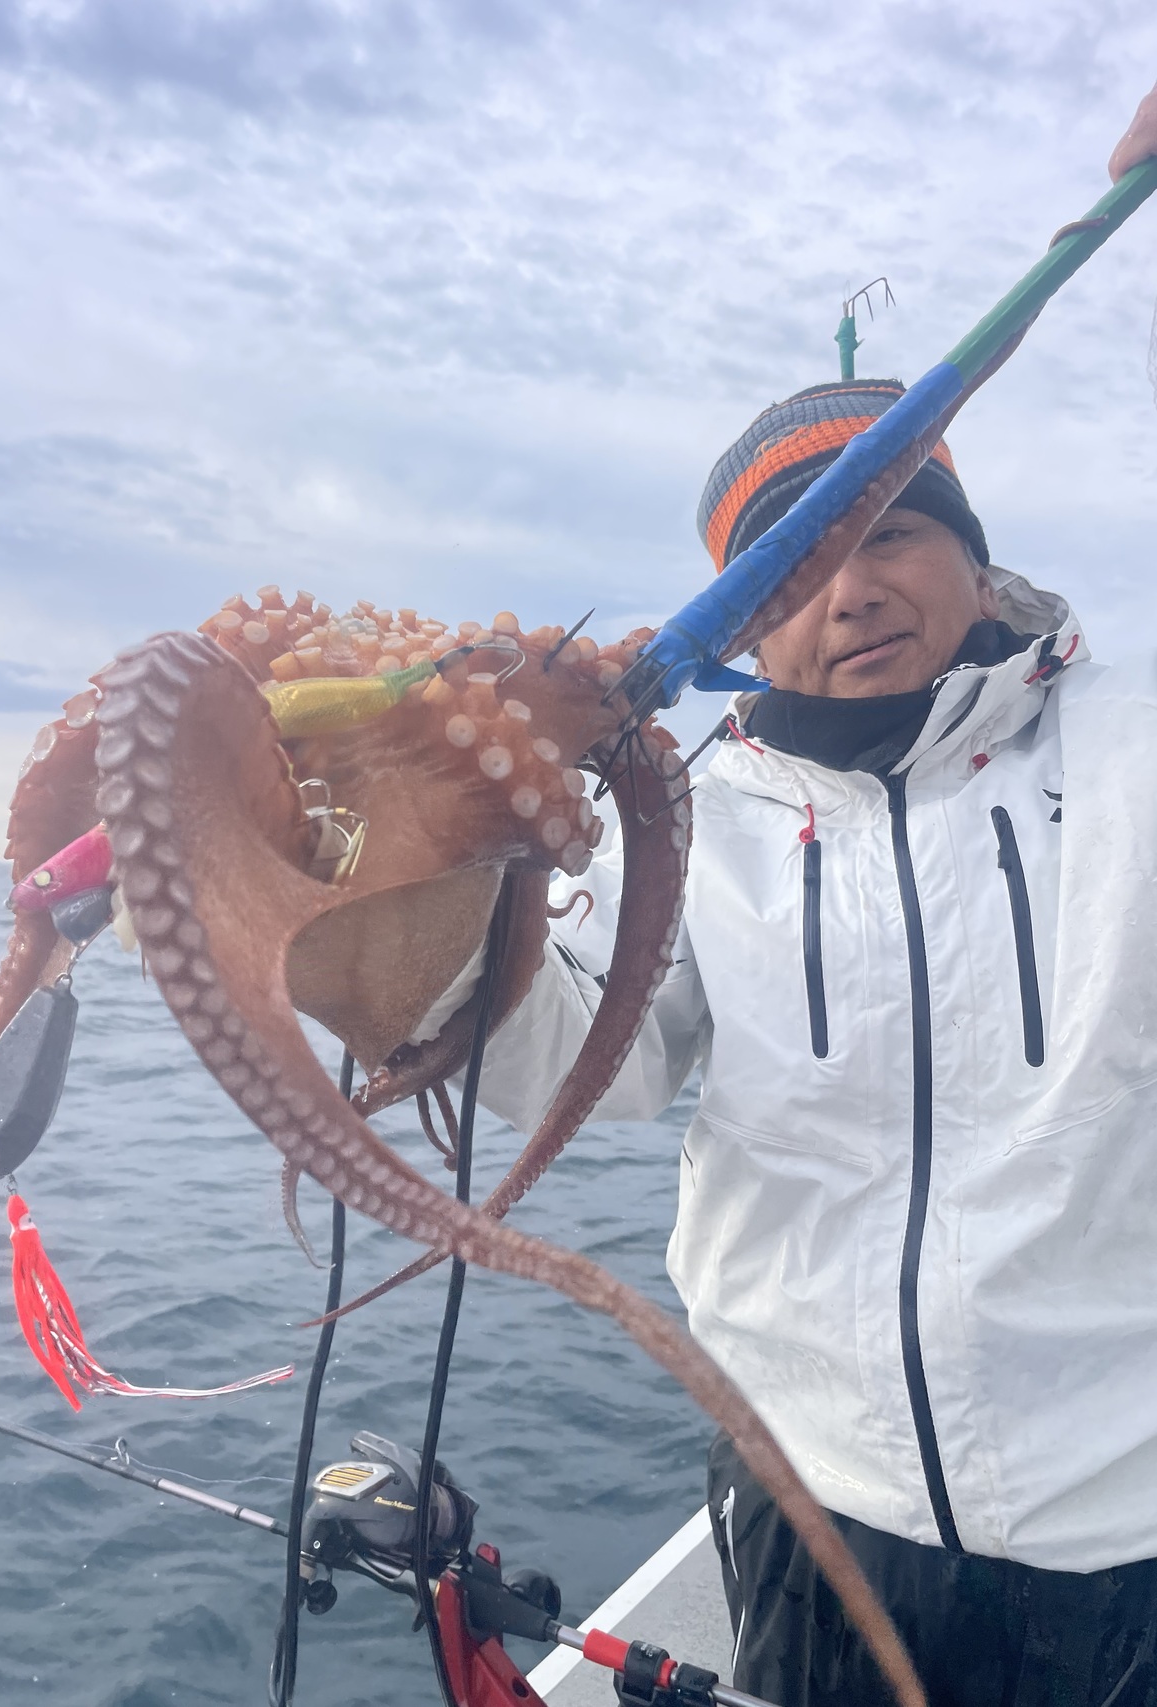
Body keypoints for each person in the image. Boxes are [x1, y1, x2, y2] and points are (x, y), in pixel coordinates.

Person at [472, 82, 1157, 1707]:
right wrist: (415, 935)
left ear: (975, 561)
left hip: (1128, 1525)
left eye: (893, 531)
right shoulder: (693, 817)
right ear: (739, 629)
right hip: (815, 1512)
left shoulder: (1130, 746)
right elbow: (581, 1062)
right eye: (787, 567)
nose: (850, 588)